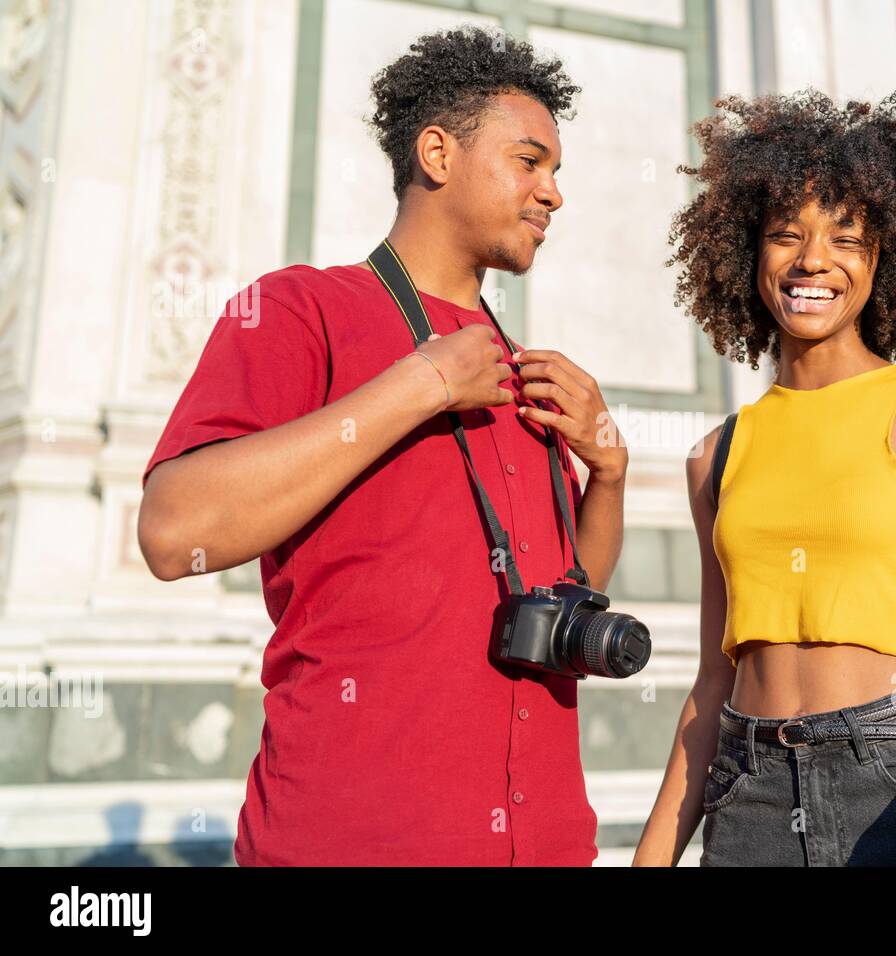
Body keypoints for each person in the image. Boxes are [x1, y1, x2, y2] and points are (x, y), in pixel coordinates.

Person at [137, 25, 629, 866]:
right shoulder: (300, 310)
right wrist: (420, 386)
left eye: (556, 173)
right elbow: (173, 532)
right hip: (352, 840)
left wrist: (610, 472)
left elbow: (564, 594)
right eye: (529, 161)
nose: (552, 195)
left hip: (545, 841)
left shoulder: (523, 370)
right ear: (437, 153)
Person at [634, 86, 896, 866]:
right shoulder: (716, 454)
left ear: (888, 254)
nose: (812, 261)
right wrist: (653, 852)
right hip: (748, 791)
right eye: (784, 236)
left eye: (847, 238)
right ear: (747, 253)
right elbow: (712, 677)